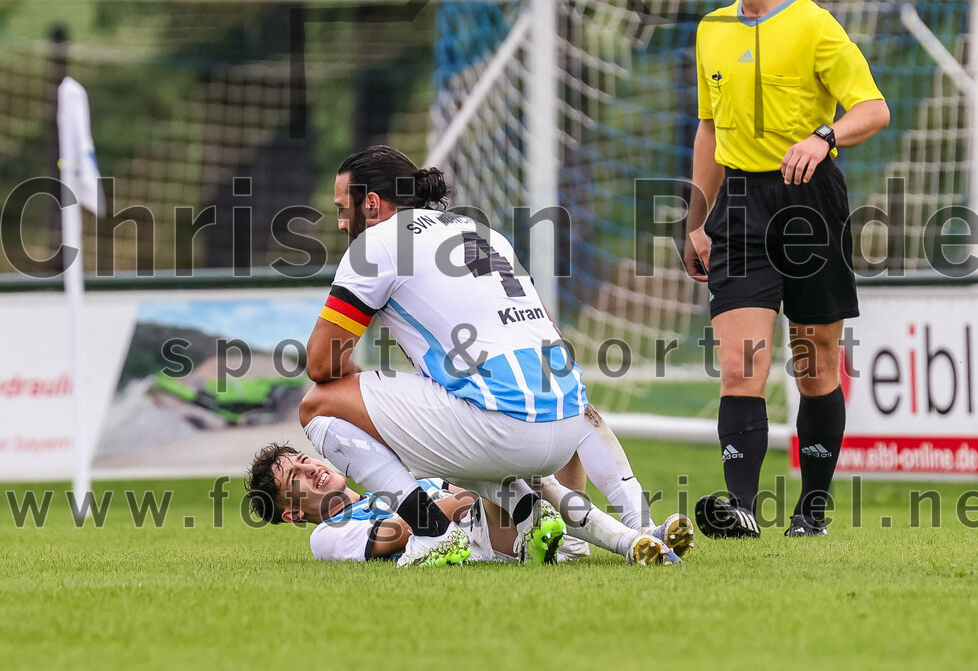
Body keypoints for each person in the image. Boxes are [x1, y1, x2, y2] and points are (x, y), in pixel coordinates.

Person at [299, 145, 690, 565]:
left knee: (319, 403)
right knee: (552, 379)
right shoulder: (483, 231)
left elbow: (322, 364)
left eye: (343, 208)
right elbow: (551, 335)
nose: (342, 223)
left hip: (501, 429)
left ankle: (431, 532)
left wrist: (363, 403)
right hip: (566, 427)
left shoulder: (378, 241)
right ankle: (631, 524)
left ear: (371, 204)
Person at [682, 0, 890, 538]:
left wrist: (824, 136)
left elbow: (872, 109)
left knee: (814, 358)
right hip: (740, 207)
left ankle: (814, 507)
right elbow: (709, 129)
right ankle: (741, 509)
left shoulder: (816, 26)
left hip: (809, 203)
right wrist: (696, 218)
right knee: (740, 361)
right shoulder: (711, 30)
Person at [244, 443, 588, 565]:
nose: (312, 469)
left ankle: (571, 532)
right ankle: (537, 533)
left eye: (305, 460)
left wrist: (469, 484)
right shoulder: (327, 535)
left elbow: (455, 484)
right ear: (291, 513)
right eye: (296, 478)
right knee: (499, 458)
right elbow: (404, 529)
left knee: (566, 435)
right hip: (486, 541)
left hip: (497, 515)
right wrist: (473, 491)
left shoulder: (389, 484)